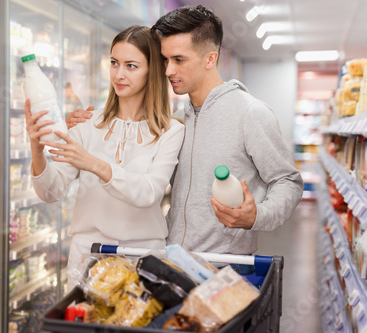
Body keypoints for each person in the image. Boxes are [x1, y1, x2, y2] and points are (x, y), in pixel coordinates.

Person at [66, 5, 304, 265]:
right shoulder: (176, 120)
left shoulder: (251, 113)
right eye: (165, 60)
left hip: (225, 265)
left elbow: (288, 181)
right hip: (174, 260)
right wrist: (82, 125)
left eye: (179, 60)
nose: (168, 71)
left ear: (210, 59)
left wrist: (257, 215)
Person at [24, 25, 185, 289]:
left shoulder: (171, 131)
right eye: (114, 63)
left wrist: (93, 163)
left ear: (152, 71)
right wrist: (36, 147)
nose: (119, 74)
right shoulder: (88, 122)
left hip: (143, 257)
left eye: (131, 66)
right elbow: (51, 191)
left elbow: (148, 193)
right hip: (88, 256)